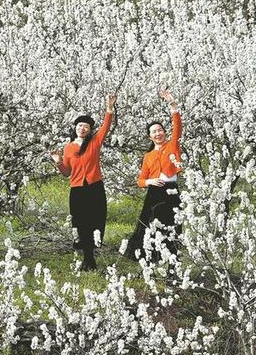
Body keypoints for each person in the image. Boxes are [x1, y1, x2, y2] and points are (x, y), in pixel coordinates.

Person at [50, 94, 115, 271]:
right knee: (80, 222)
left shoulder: (94, 142)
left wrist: (109, 108)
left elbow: (106, 127)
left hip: (95, 187)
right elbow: (66, 173)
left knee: (96, 220)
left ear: (89, 130)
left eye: (86, 127)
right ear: (75, 128)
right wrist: (58, 161)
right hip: (77, 190)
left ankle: (91, 256)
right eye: (80, 126)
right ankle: (87, 258)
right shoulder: (69, 147)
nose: (82, 129)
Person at [125, 88, 183, 262]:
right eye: (154, 132)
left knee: (173, 227)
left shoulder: (172, 145)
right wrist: (150, 181)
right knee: (151, 227)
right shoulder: (148, 156)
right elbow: (140, 180)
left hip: (171, 191)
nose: (158, 133)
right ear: (150, 137)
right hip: (154, 193)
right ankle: (151, 260)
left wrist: (172, 104)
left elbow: (177, 125)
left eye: (160, 130)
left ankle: (172, 264)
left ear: (164, 132)